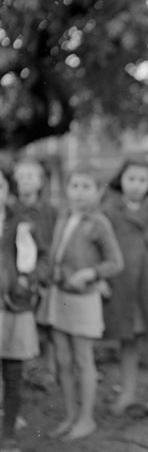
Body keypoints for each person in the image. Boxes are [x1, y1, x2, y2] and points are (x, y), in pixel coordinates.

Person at [41, 164, 124, 441]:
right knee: (63, 360)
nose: (79, 193)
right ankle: (69, 415)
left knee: (82, 359)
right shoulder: (64, 216)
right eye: (74, 186)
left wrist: (91, 273)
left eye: (86, 187)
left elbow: (115, 262)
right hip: (59, 297)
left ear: (97, 192)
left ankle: (86, 418)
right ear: (67, 190)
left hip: (83, 301)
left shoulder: (98, 223)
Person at [102, 156, 148, 415]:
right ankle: (128, 391)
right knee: (127, 337)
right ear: (121, 180)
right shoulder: (110, 212)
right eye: (131, 178)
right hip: (121, 283)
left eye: (142, 180)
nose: (136, 185)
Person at [0, 165, 49, 452]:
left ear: (8, 190)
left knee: (13, 374)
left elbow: (43, 258)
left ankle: (7, 436)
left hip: (14, 309)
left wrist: (28, 280)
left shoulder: (22, 222)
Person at [13, 157, 58, 388]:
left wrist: (45, 275)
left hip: (44, 276)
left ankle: (49, 370)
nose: (25, 181)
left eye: (30, 176)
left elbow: (52, 245)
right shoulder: (12, 209)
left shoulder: (49, 211)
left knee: (47, 326)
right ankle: (25, 370)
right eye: (20, 176)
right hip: (18, 278)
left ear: (40, 182)